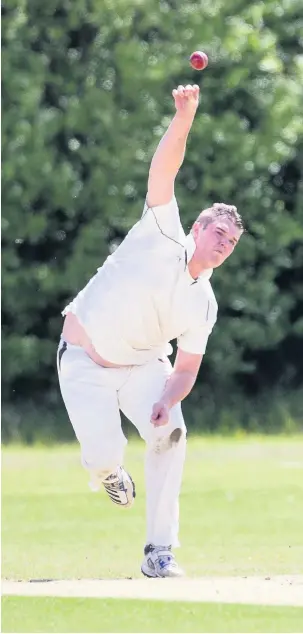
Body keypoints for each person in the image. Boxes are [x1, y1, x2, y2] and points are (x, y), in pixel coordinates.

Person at [57, 84, 244, 578]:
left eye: (231, 241)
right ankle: (108, 473)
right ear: (197, 228)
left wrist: (168, 398)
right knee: (102, 455)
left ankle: (159, 551)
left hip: (145, 366)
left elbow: (185, 368)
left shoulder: (203, 302)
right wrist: (185, 117)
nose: (223, 244)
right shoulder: (161, 229)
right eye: (217, 233)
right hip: (84, 359)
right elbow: (165, 168)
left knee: (172, 434)